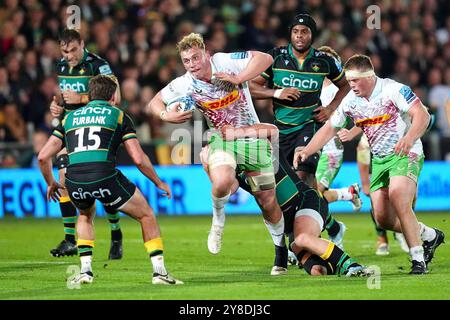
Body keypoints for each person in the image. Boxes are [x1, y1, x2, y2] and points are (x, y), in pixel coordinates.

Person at [148, 33, 286, 275]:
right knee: (222, 182)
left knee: (267, 201)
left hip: (251, 137)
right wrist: (165, 115)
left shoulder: (225, 62)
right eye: (186, 61)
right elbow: (154, 103)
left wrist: (239, 78)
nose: (192, 65)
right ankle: (218, 221)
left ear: (206, 54)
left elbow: (265, 58)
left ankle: (280, 251)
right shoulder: (186, 83)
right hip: (222, 139)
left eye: (195, 58)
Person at [294, 54, 445, 274]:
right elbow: (329, 128)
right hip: (380, 160)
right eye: (349, 81)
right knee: (382, 218)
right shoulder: (350, 101)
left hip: (406, 152)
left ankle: (418, 260)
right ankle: (430, 235)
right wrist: (307, 150)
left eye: (355, 80)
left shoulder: (393, 90)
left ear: (369, 76)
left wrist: (410, 137)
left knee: (399, 197)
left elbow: (421, 114)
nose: (351, 85)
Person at [38, 75, 182, 285]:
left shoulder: (69, 118)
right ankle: (159, 272)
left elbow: (43, 156)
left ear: (90, 96)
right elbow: (139, 159)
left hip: (74, 180)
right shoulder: (119, 116)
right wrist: (158, 182)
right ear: (113, 96)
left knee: (85, 215)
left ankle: (85, 271)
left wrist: (51, 183)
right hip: (104, 176)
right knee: (147, 215)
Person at [201, 123, 370, 277]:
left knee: (302, 239)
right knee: (317, 270)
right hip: (289, 226)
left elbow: (273, 130)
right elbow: (228, 190)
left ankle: (353, 266)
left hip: (305, 202)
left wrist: (238, 132)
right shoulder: (236, 172)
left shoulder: (260, 147)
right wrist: (208, 167)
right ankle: (335, 229)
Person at [249, 15, 351, 253]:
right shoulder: (275, 57)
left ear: (311, 35)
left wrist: (330, 108)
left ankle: (300, 241)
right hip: (279, 131)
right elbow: (251, 88)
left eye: (304, 31)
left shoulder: (324, 61)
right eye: (295, 31)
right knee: (287, 191)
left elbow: (345, 85)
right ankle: (332, 227)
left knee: (304, 177)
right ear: (290, 33)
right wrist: (277, 93)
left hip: (308, 127)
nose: (299, 35)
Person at [49, 29, 124, 260]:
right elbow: (65, 98)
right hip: (71, 129)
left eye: (72, 50)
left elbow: (116, 98)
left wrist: (82, 99)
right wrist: (59, 108)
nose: (68, 56)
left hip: (97, 130)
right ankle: (70, 240)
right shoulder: (61, 67)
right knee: (63, 180)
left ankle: (116, 233)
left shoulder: (98, 66)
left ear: (82, 44)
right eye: (64, 51)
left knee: (102, 187)